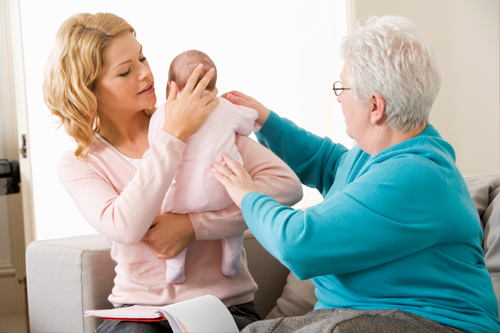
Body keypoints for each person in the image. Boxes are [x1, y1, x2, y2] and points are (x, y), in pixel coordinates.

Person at [212, 16, 500, 333]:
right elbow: (330, 165)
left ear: (375, 106)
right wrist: (265, 121)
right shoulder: (379, 154)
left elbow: (297, 242)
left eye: (343, 87)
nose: (338, 97)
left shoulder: (415, 175)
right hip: (361, 313)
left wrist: (246, 194)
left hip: (432, 321)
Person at [43, 12, 303, 333]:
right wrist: (173, 135)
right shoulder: (80, 162)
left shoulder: (204, 119)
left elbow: (287, 187)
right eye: (125, 71)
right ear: (88, 91)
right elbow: (125, 227)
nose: (146, 73)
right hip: (137, 314)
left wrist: (194, 226)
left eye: (142, 57)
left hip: (224, 305)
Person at [148, 49, 258, 284]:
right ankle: (230, 260)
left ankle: (175, 267)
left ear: (171, 87)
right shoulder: (224, 106)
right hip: (223, 188)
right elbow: (249, 123)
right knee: (235, 212)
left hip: (180, 199)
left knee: (166, 209)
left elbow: (155, 144)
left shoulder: (162, 113)